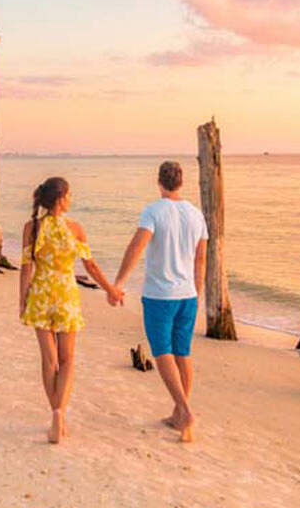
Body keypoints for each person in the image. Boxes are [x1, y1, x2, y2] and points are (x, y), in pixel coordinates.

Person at [18, 176, 121, 444]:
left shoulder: (32, 227)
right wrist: (110, 289)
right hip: (66, 295)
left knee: (48, 361)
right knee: (67, 361)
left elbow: (26, 267)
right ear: (61, 199)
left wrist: (22, 301)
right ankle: (59, 414)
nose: (71, 199)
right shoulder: (75, 229)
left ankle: (55, 415)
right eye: (69, 195)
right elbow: (91, 267)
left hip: (40, 294)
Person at [111, 160, 208, 442]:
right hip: (187, 294)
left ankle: (186, 411)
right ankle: (179, 413)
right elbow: (201, 258)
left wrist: (119, 282)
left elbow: (137, 246)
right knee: (183, 352)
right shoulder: (196, 214)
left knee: (162, 350)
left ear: (159, 182)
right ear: (181, 182)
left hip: (159, 294)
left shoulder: (153, 211)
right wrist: (197, 292)